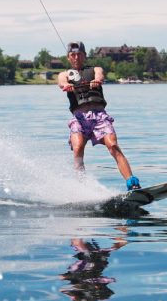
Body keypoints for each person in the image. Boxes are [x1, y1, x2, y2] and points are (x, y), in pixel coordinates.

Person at [58, 41, 140, 190]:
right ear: (68, 57)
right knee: (77, 149)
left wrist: (97, 81)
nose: (76, 57)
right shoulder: (64, 74)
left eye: (79, 54)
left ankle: (132, 183)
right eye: (73, 55)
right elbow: (62, 82)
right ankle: (82, 188)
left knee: (113, 146)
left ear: (84, 55)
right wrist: (66, 85)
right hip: (79, 119)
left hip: (99, 117)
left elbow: (100, 76)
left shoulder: (96, 69)